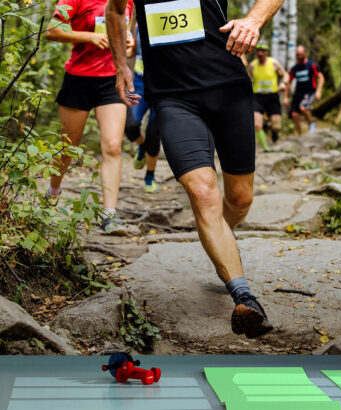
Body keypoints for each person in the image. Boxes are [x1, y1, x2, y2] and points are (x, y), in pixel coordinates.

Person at [106, 0, 284, 339]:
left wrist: (254, 20)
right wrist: (121, 65)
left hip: (228, 88)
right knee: (203, 193)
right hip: (173, 97)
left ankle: (219, 238)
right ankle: (244, 297)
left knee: (240, 199)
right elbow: (114, 10)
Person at [46, 0, 135, 233]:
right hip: (78, 79)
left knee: (113, 146)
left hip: (112, 80)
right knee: (67, 147)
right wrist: (90, 37)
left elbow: (127, 47)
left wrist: (130, 44)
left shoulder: (128, 2)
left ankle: (109, 216)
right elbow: (52, 31)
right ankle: (52, 193)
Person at [124, 27, 161, 193]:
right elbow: (133, 51)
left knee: (154, 134)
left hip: (164, 89)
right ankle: (142, 146)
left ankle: (150, 176)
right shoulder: (140, 25)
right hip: (139, 84)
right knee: (130, 126)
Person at [248, 40, 289, 150]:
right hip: (257, 97)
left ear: (266, 52)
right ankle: (266, 148)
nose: (260, 53)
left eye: (263, 51)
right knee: (257, 124)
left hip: (272, 96)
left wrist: (283, 83)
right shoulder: (252, 65)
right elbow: (247, 79)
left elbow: (285, 75)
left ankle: (273, 130)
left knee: (276, 126)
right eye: (258, 51)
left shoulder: (274, 63)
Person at [284, 45, 324, 135]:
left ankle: (311, 123)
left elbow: (321, 78)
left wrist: (318, 91)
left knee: (303, 108)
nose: (300, 56)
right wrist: (286, 97)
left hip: (309, 91)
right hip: (298, 92)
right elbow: (289, 83)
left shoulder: (311, 65)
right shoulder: (294, 68)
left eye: (301, 54)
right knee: (294, 115)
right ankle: (300, 136)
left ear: (305, 53)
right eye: (298, 54)